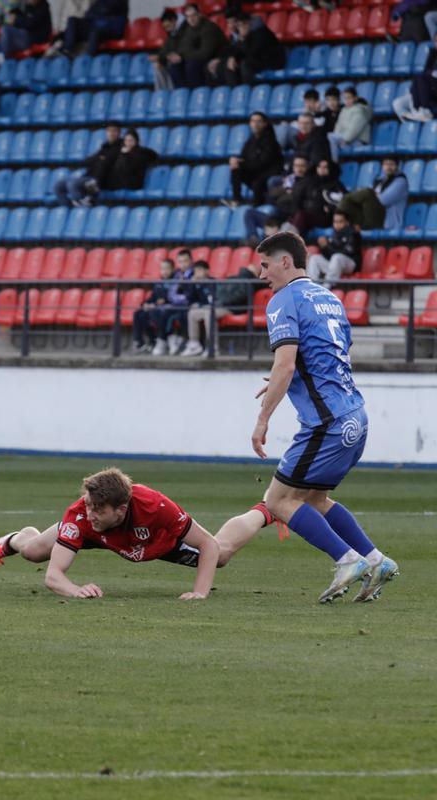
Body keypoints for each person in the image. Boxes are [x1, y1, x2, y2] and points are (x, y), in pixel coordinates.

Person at [251, 232, 399, 603]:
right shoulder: (330, 298)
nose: (261, 274)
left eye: (265, 265)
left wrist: (263, 419)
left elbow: (286, 365)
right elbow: (331, 355)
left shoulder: (283, 300)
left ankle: (347, 559)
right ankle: (376, 561)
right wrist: (286, 379)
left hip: (327, 422)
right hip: (355, 415)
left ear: (286, 262)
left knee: (277, 500)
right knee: (315, 499)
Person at [0, 467, 220, 600]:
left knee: (220, 556)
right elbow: (53, 576)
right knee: (32, 552)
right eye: (88, 504)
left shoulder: (155, 506)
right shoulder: (80, 516)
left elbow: (208, 543)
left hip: (156, 543)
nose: (90, 513)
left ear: (121, 509)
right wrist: (75, 590)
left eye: (98, 509)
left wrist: (200, 593)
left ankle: (248, 518)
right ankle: (17, 539)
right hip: (96, 536)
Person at [54, 122, 122, 206]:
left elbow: (108, 162)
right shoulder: (105, 146)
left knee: (73, 184)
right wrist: (99, 158)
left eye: (114, 131)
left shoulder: (120, 147)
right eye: (109, 131)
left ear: (119, 133)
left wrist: (100, 159)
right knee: (58, 186)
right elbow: (87, 161)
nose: (111, 133)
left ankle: (82, 209)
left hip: (101, 180)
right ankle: (68, 208)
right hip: (89, 176)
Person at [338, 157, 409, 231]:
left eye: (391, 164)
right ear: (382, 166)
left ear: (397, 166)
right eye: (386, 164)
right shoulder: (380, 180)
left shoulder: (401, 181)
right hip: (375, 219)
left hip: (390, 223)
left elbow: (382, 200)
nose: (388, 167)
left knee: (365, 194)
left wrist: (371, 195)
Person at [165, 3, 226, 89]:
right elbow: (182, 47)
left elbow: (205, 53)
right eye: (188, 16)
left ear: (199, 14)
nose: (191, 19)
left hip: (217, 57)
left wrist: (182, 56)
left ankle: (198, 93)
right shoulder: (188, 28)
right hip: (196, 57)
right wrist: (177, 55)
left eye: (193, 15)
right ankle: (183, 93)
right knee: (174, 67)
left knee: (192, 66)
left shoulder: (209, 28)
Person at [228, 112, 283, 207]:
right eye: (253, 121)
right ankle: (237, 199)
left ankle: (257, 206)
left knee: (257, 182)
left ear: (265, 124)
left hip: (267, 174)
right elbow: (243, 157)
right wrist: (235, 160)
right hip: (254, 172)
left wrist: (242, 164)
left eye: (258, 121)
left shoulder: (270, 141)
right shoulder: (250, 141)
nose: (255, 124)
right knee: (235, 169)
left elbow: (262, 163)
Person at [218, 12, 285, 86]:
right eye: (239, 26)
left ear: (249, 23)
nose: (241, 28)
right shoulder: (242, 35)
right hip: (258, 59)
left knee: (245, 63)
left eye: (242, 25)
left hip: (271, 60)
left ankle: (248, 88)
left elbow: (252, 51)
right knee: (230, 63)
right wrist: (233, 57)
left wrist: (243, 40)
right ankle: (234, 89)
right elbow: (235, 50)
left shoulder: (261, 32)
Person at [51, 0, 128, 57]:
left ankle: (87, 59)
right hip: (96, 25)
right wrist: (63, 34)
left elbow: (105, 9)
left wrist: (94, 14)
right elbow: (89, 14)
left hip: (111, 28)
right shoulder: (100, 2)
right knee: (72, 21)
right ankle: (67, 50)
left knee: (95, 31)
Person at [131, 257, 176, 353]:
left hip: (168, 308)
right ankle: (140, 342)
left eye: (167, 268)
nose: (164, 271)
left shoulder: (175, 282)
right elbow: (153, 296)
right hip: (156, 307)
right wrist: (145, 303)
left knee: (153, 313)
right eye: (162, 269)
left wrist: (155, 304)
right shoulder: (159, 283)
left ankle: (161, 339)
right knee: (139, 313)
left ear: (172, 269)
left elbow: (168, 299)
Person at [307, 210, 361, 287]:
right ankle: (312, 287)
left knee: (337, 257)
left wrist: (327, 247)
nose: (337, 224)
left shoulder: (353, 233)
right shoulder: (334, 234)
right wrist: (324, 247)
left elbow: (345, 253)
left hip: (350, 264)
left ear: (347, 222)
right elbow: (329, 255)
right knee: (314, 258)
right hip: (335, 266)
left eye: (340, 221)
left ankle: (327, 287)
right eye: (335, 222)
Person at [288, 158, 343, 234]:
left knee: (301, 216)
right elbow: (298, 199)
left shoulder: (335, 184)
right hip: (308, 215)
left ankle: (291, 239)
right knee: (291, 220)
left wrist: (330, 208)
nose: (322, 169)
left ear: (330, 168)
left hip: (325, 218)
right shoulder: (309, 181)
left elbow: (343, 200)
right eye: (319, 166)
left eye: (325, 167)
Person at [393, 32, 437, 122]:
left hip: (433, 93)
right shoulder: (433, 54)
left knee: (421, 78)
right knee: (397, 104)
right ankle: (412, 121)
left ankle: (424, 110)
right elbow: (426, 72)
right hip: (427, 92)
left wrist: (431, 74)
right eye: (436, 41)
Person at [103, 129, 157, 193]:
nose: (128, 143)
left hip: (132, 184)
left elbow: (128, 169)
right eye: (126, 140)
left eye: (131, 140)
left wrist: (124, 155)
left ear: (136, 141)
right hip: (121, 181)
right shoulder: (122, 153)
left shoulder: (140, 154)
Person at [326, 87, 372, 163]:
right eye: (345, 98)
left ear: (355, 98)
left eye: (349, 98)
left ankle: (334, 163)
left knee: (330, 137)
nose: (347, 100)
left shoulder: (359, 110)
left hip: (358, 141)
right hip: (344, 140)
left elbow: (354, 129)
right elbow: (338, 126)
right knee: (328, 139)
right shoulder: (344, 110)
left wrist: (345, 140)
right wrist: (338, 139)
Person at [180, 261, 216, 356]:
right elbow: (190, 299)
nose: (197, 273)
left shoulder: (213, 282)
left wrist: (201, 304)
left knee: (209, 314)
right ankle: (194, 344)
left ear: (207, 271)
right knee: (192, 313)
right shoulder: (196, 283)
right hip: (204, 308)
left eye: (200, 270)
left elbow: (213, 299)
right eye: (196, 271)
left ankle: (212, 346)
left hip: (218, 308)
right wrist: (192, 284)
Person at [150, 10, 185, 91]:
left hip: (183, 60)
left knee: (171, 65)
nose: (167, 29)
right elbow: (165, 49)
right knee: (157, 66)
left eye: (168, 26)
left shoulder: (184, 30)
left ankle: (172, 92)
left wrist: (163, 57)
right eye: (165, 27)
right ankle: (161, 93)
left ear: (173, 21)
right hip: (173, 59)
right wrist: (160, 59)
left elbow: (184, 49)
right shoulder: (171, 33)